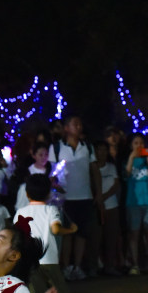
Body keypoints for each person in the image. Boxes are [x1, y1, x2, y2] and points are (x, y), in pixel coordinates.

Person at [16, 174, 84, 293]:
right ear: (48, 194)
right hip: (49, 259)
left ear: (27, 194)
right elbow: (55, 230)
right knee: (61, 291)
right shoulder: (50, 210)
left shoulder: (20, 212)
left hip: (30, 261)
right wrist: (71, 230)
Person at [48, 114, 102, 281]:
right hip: (66, 197)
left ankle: (77, 266)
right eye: (75, 124)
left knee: (81, 233)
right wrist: (54, 185)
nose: (79, 127)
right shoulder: (57, 148)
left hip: (84, 195)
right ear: (66, 128)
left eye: (79, 124)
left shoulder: (87, 147)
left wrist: (98, 193)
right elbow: (52, 173)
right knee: (67, 234)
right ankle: (66, 267)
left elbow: (94, 170)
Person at [125, 133, 148, 275]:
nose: (139, 146)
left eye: (141, 143)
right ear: (131, 146)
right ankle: (135, 265)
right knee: (134, 233)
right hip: (133, 202)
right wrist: (131, 158)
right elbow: (126, 176)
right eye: (136, 143)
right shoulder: (128, 160)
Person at [94, 141, 122, 276]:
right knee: (97, 238)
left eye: (105, 150)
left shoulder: (111, 167)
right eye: (100, 150)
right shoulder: (92, 168)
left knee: (111, 238)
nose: (103, 153)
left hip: (111, 206)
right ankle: (95, 265)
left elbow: (116, 185)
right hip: (96, 208)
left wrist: (103, 197)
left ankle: (110, 265)